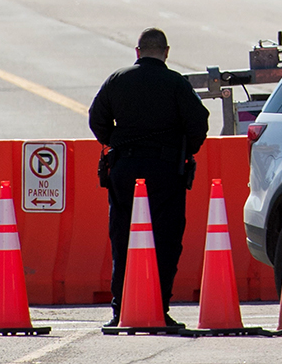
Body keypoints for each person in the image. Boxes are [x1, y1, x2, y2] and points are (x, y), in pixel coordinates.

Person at [89, 28, 209, 328]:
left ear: (137, 51)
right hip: (164, 171)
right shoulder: (176, 83)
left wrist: (117, 141)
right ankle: (158, 307)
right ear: (166, 51)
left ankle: (121, 310)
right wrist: (182, 149)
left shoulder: (118, 79)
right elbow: (198, 123)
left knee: (122, 237)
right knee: (165, 239)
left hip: (124, 169)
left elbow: (96, 119)